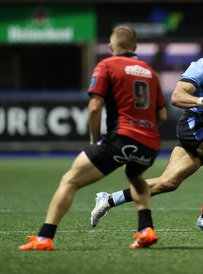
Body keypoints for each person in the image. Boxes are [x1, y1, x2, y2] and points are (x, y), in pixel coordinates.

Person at [91, 26, 203, 232]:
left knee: (168, 182)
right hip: (194, 123)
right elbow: (176, 97)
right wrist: (202, 101)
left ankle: (109, 199)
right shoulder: (200, 68)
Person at [18, 25, 167, 250]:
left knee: (69, 180)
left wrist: (96, 140)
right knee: (135, 177)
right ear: (135, 47)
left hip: (120, 138)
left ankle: (44, 237)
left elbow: (94, 107)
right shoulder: (149, 71)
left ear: (111, 46)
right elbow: (162, 115)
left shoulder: (107, 65)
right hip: (150, 143)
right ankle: (146, 230)